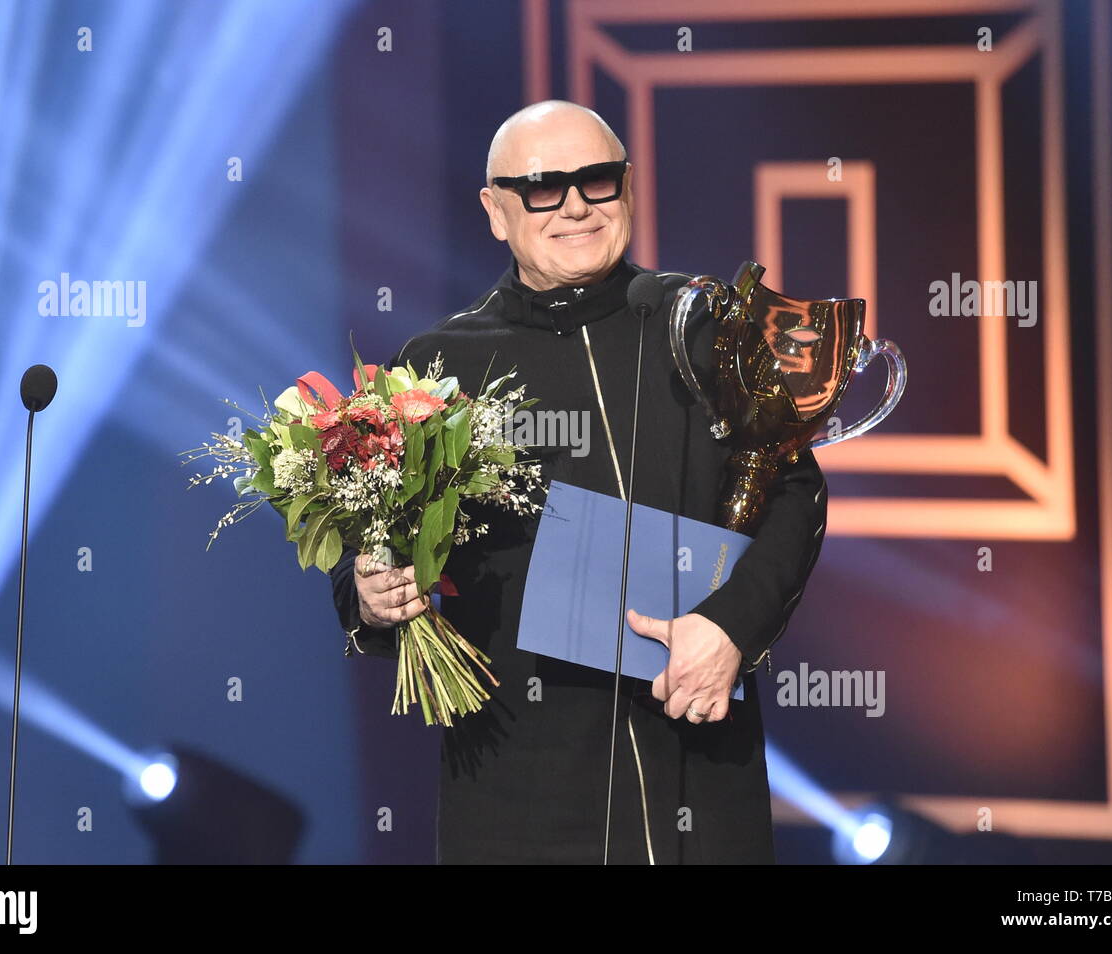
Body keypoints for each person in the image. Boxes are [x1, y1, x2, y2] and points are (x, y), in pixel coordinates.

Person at [330, 100, 827, 864]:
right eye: (542, 187)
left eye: (596, 181)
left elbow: (795, 492)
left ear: (626, 189)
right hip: (518, 779)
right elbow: (371, 546)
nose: (575, 206)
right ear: (496, 211)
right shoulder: (440, 365)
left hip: (695, 747)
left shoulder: (701, 327)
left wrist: (730, 626)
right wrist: (370, 593)